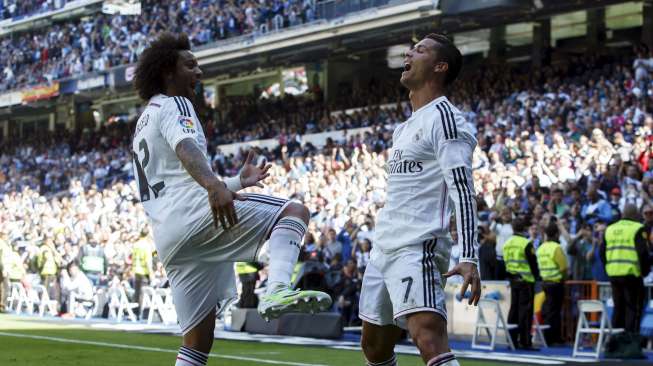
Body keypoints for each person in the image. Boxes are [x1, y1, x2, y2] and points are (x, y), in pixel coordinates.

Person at [131, 33, 331, 366]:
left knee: (197, 341)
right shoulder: (175, 103)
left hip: (169, 237)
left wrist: (235, 181)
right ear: (168, 71)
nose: (199, 72)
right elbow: (186, 148)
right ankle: (277, 288)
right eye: (190, 65)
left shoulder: (143, 121)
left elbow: (173, 175)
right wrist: (213, 185)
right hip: (194, 215)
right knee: (294, 212)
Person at [358, 33, 481, 366]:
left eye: (420, 50)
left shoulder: (446, 118)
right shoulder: (404, 128)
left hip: (418, 245)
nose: (408, 54)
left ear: (439, 67)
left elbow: (462, 188)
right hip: (384, 247)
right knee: (374, 348)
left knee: (427, 336)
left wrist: (469, 255)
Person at [601, 204, 651, 334]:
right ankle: (630, 342)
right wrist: (644, 272)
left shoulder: (610, 229)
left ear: (623, 214)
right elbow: (643, 253)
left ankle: (615, 342)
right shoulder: (638, 228)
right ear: (635, 215)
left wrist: (609, 268)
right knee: (633, 308)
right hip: (631, 275)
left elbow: (601, 252)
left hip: (614, 275)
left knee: (618, 308)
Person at [504, 216, 539, 350]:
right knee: (525, 312)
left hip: (513, 280)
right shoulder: (526, 243)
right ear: (524, 228)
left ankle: (511, 340)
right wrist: (536, 277)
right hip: (526, 281)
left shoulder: (507, 243)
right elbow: (533, 264)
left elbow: (505, 263)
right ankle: (525, 342)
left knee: (513, 310)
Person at [536, 220, 567, 345]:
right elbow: (564, 268)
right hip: (556, 282)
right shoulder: (556, 247)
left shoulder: (541, 248)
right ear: (556, 234)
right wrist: (564, 279)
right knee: (554, 312)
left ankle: (548, 337)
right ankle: (553, 338)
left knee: (549, 310)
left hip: (545, 282)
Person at [131, 227, 154, 315]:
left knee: (137, 292)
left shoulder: (136, 244)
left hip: (136, 271)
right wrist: (151, 273)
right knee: (143, 293)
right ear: (148, 235)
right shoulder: (146, 246)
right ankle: (142, 313)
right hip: (144, 272)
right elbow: (148, 261)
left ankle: (135, 312)